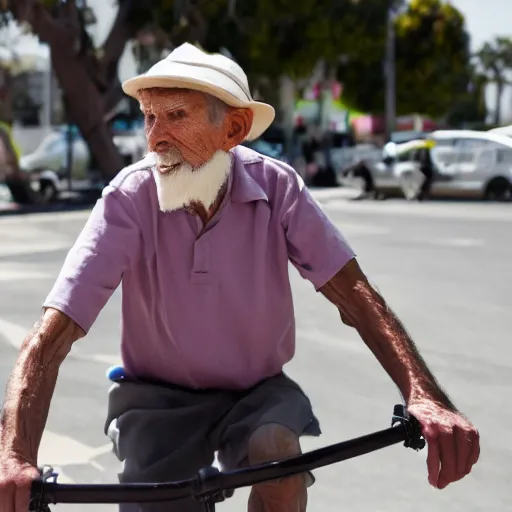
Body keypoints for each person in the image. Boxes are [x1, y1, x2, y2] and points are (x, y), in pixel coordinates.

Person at [0, 43, 479, 512]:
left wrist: (424, 395)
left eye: (176, 116)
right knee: (161, 501)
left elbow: (355, 295)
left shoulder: (278, 187)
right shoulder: (130, 198)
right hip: (156, 399)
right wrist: (15, 454)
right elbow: (52, 335)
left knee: (280, 461)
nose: (154, 138)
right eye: (149, 117)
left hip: (256, 392)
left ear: (233, 128)